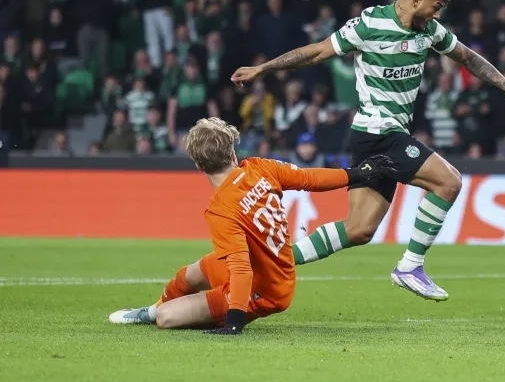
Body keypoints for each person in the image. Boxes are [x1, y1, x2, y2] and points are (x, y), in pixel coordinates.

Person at [230, 0, 505, 301]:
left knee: (359, 229)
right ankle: (411, 266)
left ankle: (269, 263)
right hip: (378, 131)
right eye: (436, 6)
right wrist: (262, 69)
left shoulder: (430, 31)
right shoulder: (369, 24)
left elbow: (468, 57)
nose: (437, 13)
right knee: (449, 182)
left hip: (378, 137)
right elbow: (317, 51)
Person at [108, 118, 398, 334]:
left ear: (199, 166)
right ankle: (150, 310)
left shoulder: (221, 209)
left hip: (267, 288)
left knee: (167, 319)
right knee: (189, 274)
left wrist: (234, 321)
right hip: (266, 266)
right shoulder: (260, 167)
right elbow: (310, 178)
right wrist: (358, 174)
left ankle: (164, 313)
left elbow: (241, 269)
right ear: (232, 154)